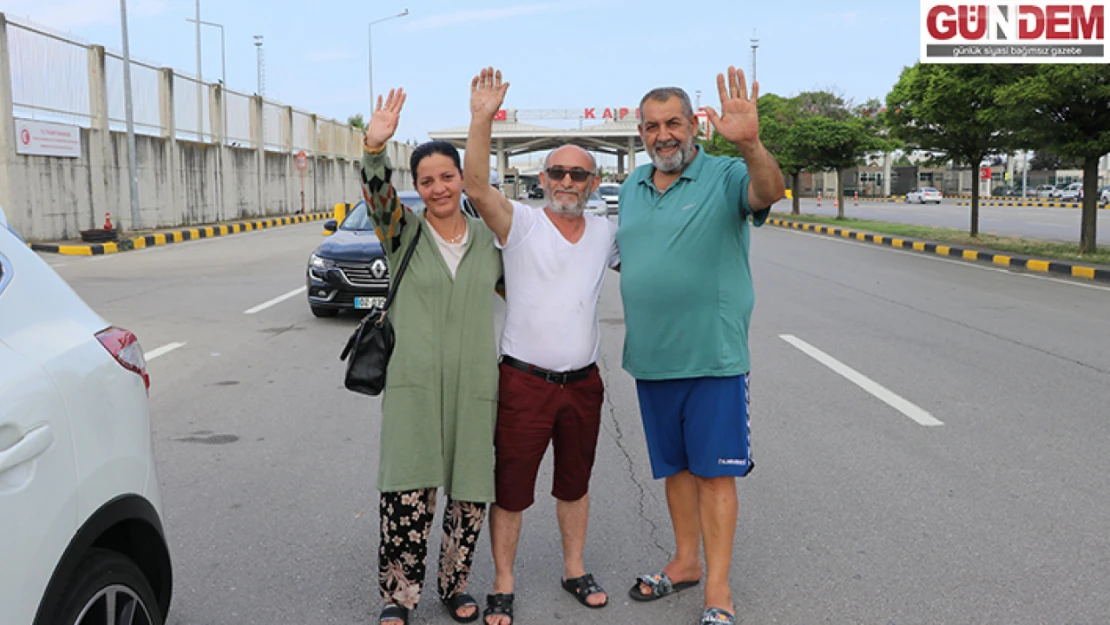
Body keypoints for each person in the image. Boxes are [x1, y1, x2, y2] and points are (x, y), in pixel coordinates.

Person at [617, 68, 786, 625]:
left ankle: (718, 589)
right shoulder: (633, 189)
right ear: (640, 133)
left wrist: (752, 143)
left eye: (673, 123)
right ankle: (686, 561)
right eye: (651, 126)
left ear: (695, 125)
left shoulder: (726, 174)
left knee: (716, 473)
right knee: (676, 471)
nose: (663, 135)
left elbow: (769, 192)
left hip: (713, 359)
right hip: (652, 359)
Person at [463, 67, 620, 625]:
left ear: (594, 182)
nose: (568, 181)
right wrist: (482, 118)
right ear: (544, 177)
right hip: (524, 382)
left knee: (574, 485)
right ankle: (503, 582)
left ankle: (574, 568)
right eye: (558, 171)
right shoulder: (522, 225)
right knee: (511, 489)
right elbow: (477, 187)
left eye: (579, 174)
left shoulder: (605, 231)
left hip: (583, 383)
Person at [359, 88, 503, 625]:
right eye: (427, 180)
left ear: (462, 179)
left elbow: (532, 291)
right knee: (407, 486)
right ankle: (399, 593)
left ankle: (455, 585)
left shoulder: (492, 240)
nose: (439, 187)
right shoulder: (402, 234)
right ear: (415, 189)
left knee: (469, 490)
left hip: (474, 386)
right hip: (413, 383)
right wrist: (375, 147)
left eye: (447, 176)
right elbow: (376, 193)